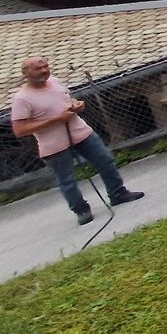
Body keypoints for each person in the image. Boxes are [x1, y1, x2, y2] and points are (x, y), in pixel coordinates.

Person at [9, 56, 144, 225]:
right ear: (25, 73)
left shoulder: (55, 82)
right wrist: (56, 120)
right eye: (38, 69)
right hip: (54, 145)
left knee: (105, 160)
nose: (44, 71)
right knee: (67, 180)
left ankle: (117, 193)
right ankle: (81, 210)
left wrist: (76, 104)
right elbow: (20, 130)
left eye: (45, 66)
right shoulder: (22, 99)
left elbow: (66, 99)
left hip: (81, 133)